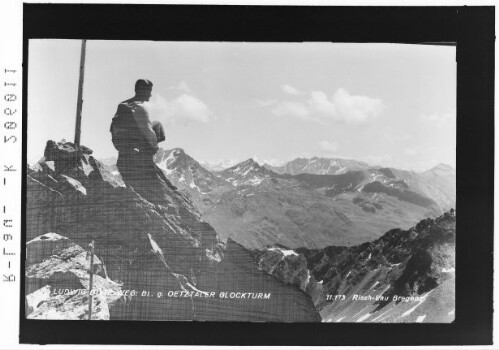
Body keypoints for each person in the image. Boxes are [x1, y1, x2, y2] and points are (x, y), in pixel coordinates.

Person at [111, 79, 176, 204]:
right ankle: (147, 157)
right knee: (157, 125)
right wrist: (154, 146)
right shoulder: (139, 107)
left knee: (154, 125)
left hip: (120, 143)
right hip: (134, 146)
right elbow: (147, 130)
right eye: (149, 91)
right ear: (144, 91)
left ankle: (144, 155)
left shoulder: (124, 104)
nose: (150, 95)